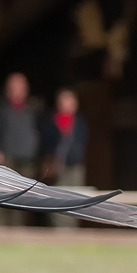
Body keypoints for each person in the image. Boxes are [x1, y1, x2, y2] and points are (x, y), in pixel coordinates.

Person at [0, 72, 42, 227]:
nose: (18, 91)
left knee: (23, 198)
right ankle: (0, 228)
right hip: (7, 159)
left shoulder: (33, 111)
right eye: (14, 87)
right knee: (1, 194)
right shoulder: (0, 110)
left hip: (26, 160)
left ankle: (18, 229)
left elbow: (39, 134)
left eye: (21, 87)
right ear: (7, 90)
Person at [41, 88, 90, 228]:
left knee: (76, 198)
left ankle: (71, 229)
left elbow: (83, 142)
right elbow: (46, 143)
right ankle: (58, 228)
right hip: (57, 165)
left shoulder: (80, 122)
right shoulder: (51, 121)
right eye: (65, 101)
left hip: (75, 165)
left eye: (71, 101)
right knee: (57, 197)